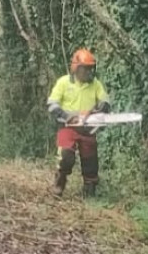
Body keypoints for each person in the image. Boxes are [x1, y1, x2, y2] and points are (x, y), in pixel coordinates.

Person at [47, 48, 111, 198]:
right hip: (68, 126)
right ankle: (60, 181)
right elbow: (52, 104)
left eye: (90, 69)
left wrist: (101, 108)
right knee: (66, 156)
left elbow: (105, 100)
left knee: (90, 160)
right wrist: (65, 115)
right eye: (85, 69)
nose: (88, 72)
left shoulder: (95, 84)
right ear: (76, 68)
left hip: (88, 127)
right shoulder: (63, 82)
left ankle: (89, 189)